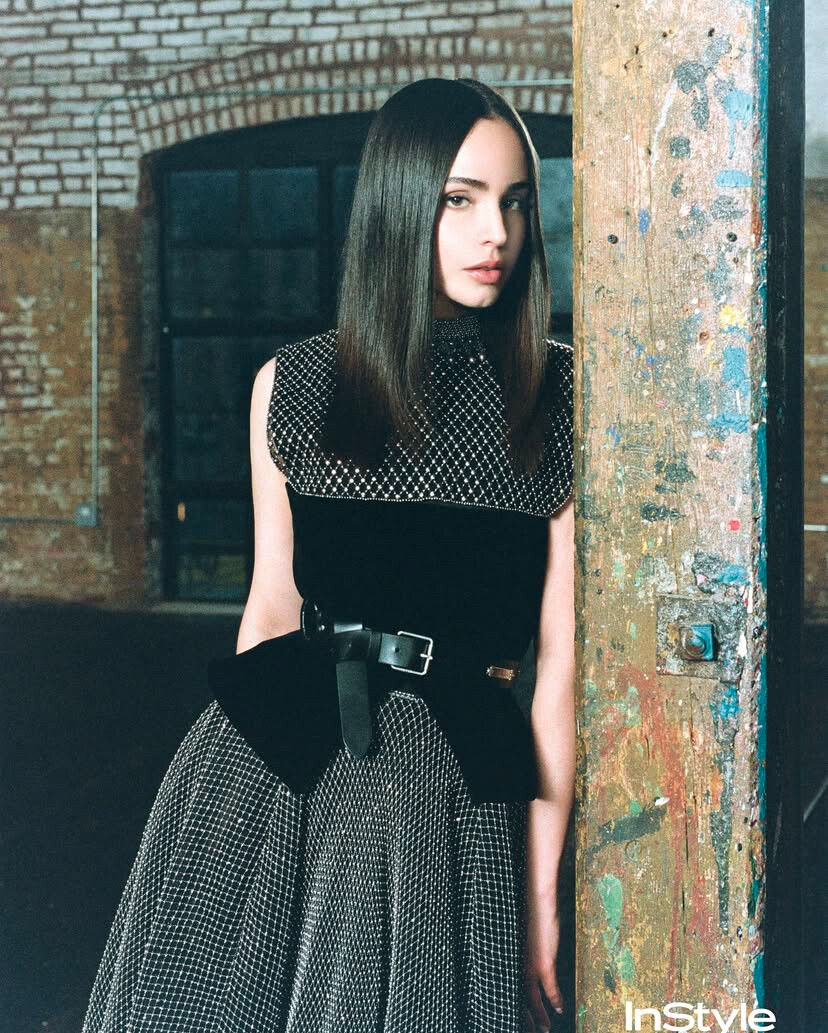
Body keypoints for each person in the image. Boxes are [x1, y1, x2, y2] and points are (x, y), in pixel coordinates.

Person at [82, 77, 575, 1033]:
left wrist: (543, 889)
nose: (497, 234)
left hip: (446, 792)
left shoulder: (555, 394)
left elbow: (559, 669)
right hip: (274, 760)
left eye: (516, 202)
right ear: (398, 204)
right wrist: (239, 819)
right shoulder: (295, 384)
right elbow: (271, 606)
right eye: (460, 200)